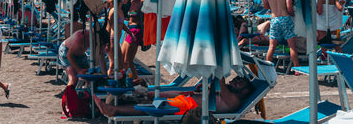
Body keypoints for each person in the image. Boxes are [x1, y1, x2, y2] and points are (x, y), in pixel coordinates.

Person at [93, 75, 254, 117]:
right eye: (235, 79)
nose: (234, 81)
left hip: (188, 109)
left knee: (149, 109)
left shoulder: (235, 101)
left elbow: (221, 81)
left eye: (239, 82)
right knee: (149, 97)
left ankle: (114, 110)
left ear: (246, 91)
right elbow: (215, 86)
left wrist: (218, 68)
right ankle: (117, 102)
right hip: (186, 101)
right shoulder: (227, 94)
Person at [262, 0, 300, 68]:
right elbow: (289, 8)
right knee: (292, 45)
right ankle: (297, 68)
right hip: (285, 18)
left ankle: (267, 69)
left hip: (274, 19)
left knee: (271, 46)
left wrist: (273, 7)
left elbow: (265, 6)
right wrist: (292, 14)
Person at [121, 0, 146, 85]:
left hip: (136, 30)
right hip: (130, 30)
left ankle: (138, 81)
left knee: (128, 60)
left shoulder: (142, 2)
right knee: (122, 58)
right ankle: (129, 78)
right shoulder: (131, 2)